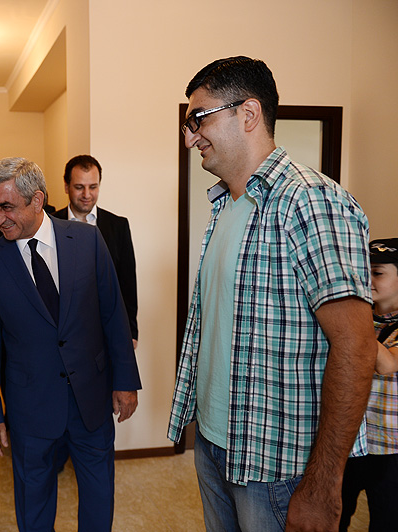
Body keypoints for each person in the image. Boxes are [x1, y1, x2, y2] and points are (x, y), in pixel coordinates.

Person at [167, 56, 376, 532]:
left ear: (248, 114)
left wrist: (324, 483)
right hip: (216, 445)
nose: (190, 137)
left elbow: (355, 345)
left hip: (278, 467)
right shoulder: (225, 206)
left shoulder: (311, 200)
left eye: (198, 120)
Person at [0, 157, 141, 532]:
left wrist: (125, 381)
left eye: (6, 207)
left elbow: (114, 314)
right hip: (29, 407)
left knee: (98, 496)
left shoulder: (87, 241)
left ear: (37, 200)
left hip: (91, 399)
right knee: (33, 504)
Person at [339, 238, 398, 531]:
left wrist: (355, 315)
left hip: (390, 449)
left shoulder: (361, 320)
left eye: (378, 273)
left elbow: (386, 364)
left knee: (386, 521)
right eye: (365, 271)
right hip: (352, 441)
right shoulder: (367, 319)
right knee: (335, 514)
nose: (367, 279)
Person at [54, 154, 139, 347]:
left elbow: (127, 282)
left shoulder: (118, 226)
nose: (87, 194)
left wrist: (131, 331)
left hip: (106, 329)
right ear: (66, 186)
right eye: (79, 187)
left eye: (93, 187)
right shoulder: (51, 224)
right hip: (63, 333)